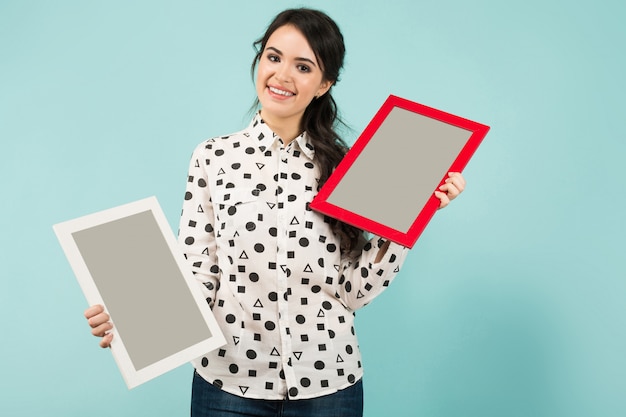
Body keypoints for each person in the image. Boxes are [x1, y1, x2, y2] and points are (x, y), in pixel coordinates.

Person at [84, 8, 466, 417]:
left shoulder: (349, 168)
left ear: (325, 83)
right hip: (228, 384)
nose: (282, 75)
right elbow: (200, 272)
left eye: (303, 66)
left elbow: (354, 291)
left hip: (329, 386)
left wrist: (411, 215)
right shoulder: (212, 157)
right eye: (273, 56)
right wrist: (132, 320)